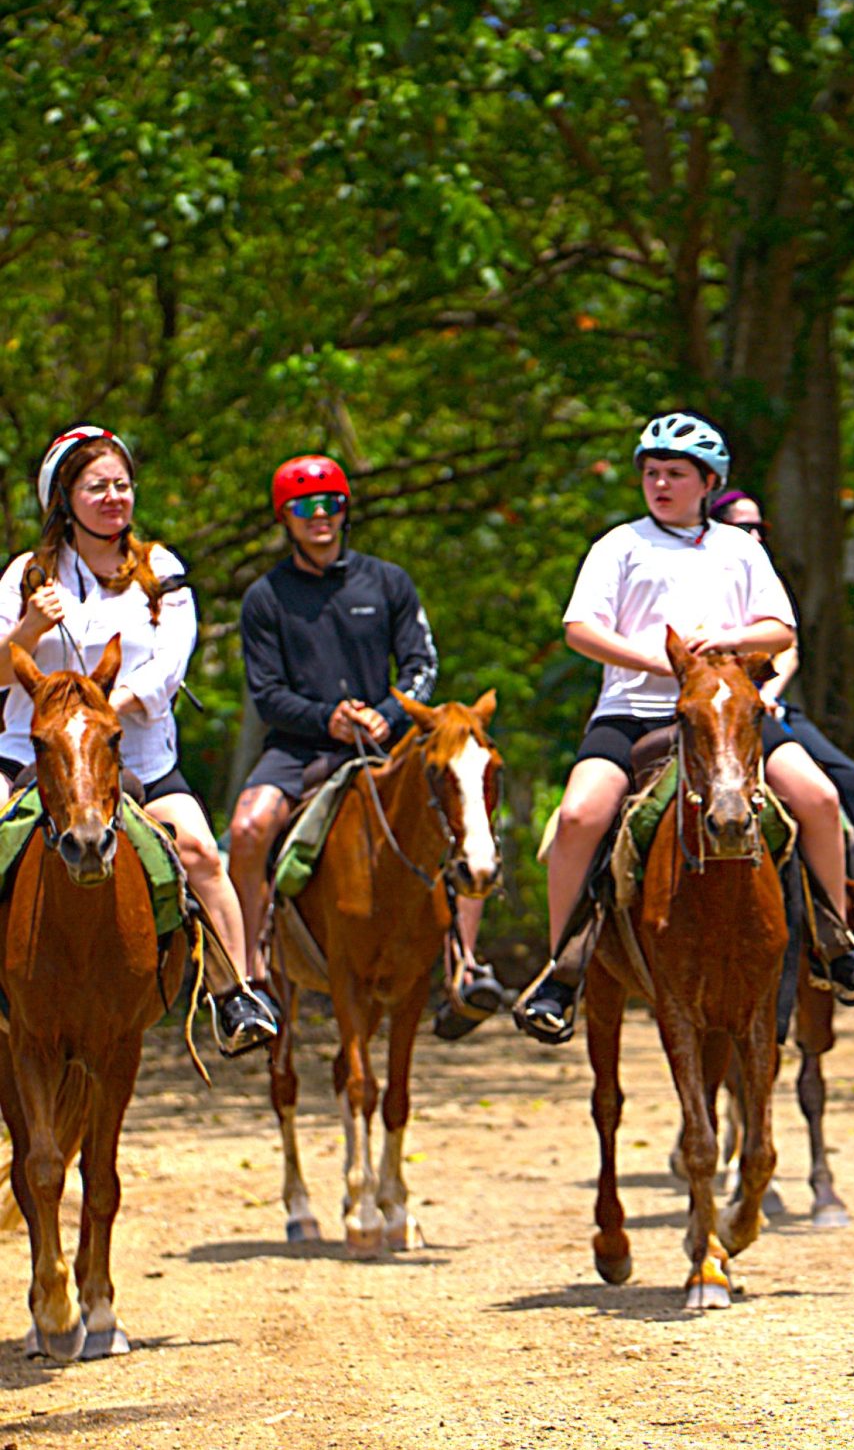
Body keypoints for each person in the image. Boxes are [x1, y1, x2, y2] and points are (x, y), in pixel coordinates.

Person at [512, 414, 854, 1043]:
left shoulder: (740, 548)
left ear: (708, 482)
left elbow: (781, 631)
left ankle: (834, 939)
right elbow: (579, 630)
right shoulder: (619, 546)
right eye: (652, 472)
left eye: (675, 473)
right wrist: (655, 659)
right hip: (634, 710)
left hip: (729, 712)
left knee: (820, 797)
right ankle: (562, 970)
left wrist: (731, 641)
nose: (659, 483)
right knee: (579, 815)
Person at [3, 427, 277, 1054]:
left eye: (121, 485)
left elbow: (168, 669)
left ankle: (236, 993)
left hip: (139, 754)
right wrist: (30, 626)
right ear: (64, 499)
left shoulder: (162, 569)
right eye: (97, 487)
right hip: (31, 752)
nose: (113, 497)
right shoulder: (27, 573)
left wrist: (102, 715)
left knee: (203, 851)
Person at [230, 455, 504, 1038]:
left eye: (331, 504)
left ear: (345, 511)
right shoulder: (265, 597)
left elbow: (420, 664)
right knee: (250, 828)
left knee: (463, 820)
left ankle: (464, 967)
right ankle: (249, 976)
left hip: (386, 747)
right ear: (286, 518)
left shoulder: (388, 582)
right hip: (299, 749)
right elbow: (266, 693)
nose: (320, 517)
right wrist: (326, 718)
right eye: (305, 508)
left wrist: (382, 716)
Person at [706, 486, 854, 925]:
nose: (753, 536)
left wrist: (768, 696)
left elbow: (787, 648)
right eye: (742, 527)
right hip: (710, 707)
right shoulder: (695, 570)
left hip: (768, 705)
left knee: (849, 782)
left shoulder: (766, 576)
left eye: (759, 527)